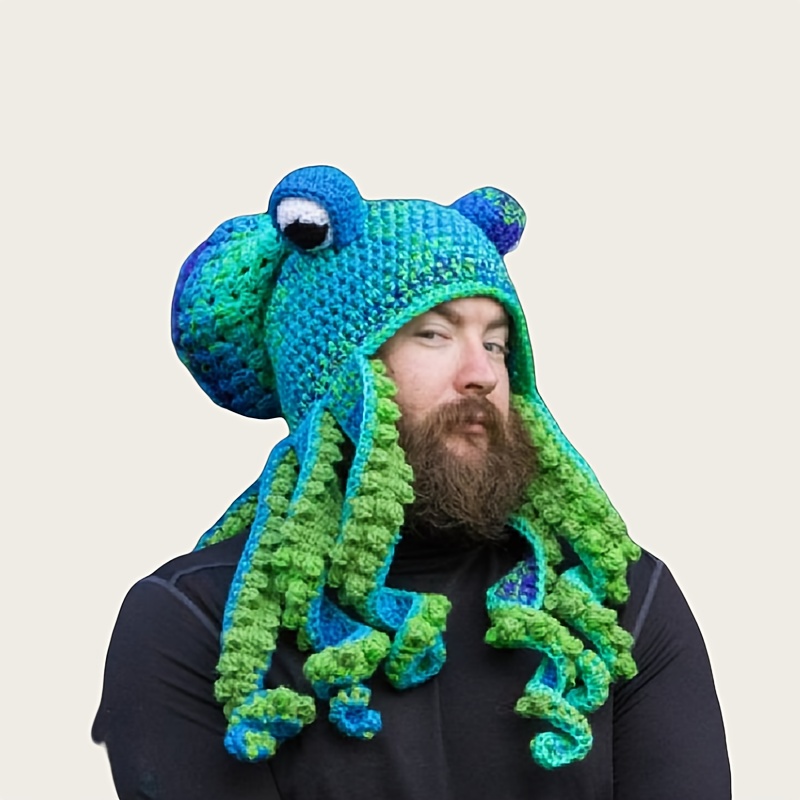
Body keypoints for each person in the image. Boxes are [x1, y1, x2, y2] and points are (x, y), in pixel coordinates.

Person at [93, 165, 731, 799]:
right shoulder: (192, 621)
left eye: (497, 343)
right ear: (335, 383)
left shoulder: (613, 607)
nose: (483, 373)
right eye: (434, 334)